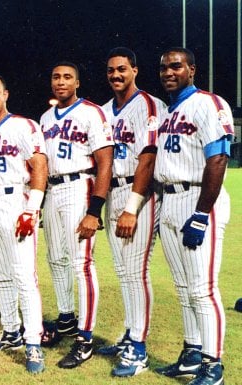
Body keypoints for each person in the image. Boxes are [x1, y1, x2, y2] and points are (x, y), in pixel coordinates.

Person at [154, 47, 233, 385]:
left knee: (203, 289)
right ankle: (191, 353)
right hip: (170, 199)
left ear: (192, 70)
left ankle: (212, 364)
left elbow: (217, 159)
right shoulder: (169, 111)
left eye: (176, 66)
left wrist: (201, 213)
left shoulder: (208, 103)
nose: (169, 72)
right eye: (164, 68)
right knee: (184, 288)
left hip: (198, 198)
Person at [39, 61, 114, 369]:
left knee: (81, 262)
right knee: (55, 258)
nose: (61, 82)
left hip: (79, 185)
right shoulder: (45, 117)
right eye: (56, 76)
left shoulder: (91, 112)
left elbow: (105, 162)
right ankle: (67, 317)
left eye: (67, 77)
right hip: (52, 190)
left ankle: (85, 337)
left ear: (78, 83)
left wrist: (94, 211)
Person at [97, 47, 166, 377]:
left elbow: (148, 158)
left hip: (138, 194)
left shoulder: (149, 105)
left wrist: (131, 208)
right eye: (111, 70)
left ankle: (138, 348)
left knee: (136, 272)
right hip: (112, 192)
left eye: (122, 69)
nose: (116, 75)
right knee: (124, 272)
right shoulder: (104, 110)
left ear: (135, 70)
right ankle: (129, 334)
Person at [0, 75, 48, 374]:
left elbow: (39, 165)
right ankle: (11, 332)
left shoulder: (23, 125)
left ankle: (33, 342)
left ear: (6, 94)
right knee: (0, 275)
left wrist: (32, 210)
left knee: (23, 276)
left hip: (16, 200)